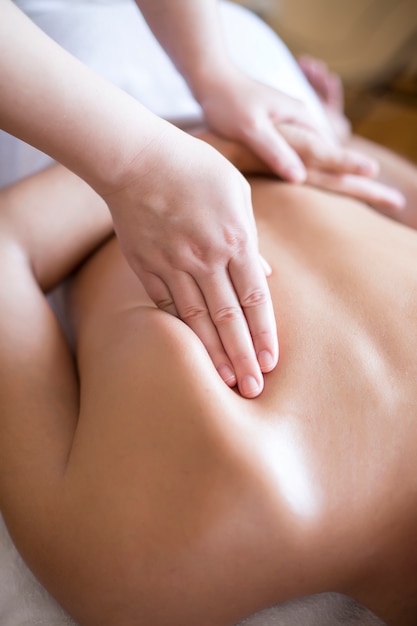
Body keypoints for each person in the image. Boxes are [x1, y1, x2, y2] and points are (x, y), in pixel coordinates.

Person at [1, 99, 417, 625]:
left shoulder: (154, 565)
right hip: (237, 105)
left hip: (87, 122)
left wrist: (241, 144)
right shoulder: (148, 571)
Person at [0, 0, 403, 399]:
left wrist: (154, 162)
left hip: (59, 106)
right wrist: (216, 82)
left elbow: (6, 247)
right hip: (253, 92)